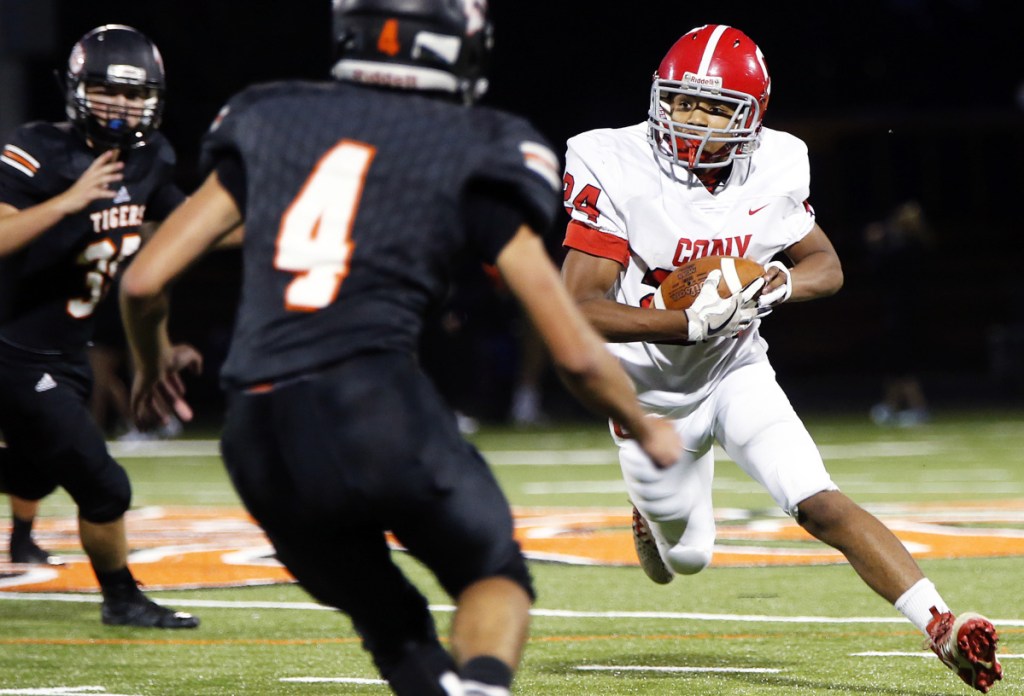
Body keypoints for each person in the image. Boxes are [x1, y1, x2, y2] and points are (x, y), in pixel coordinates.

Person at [118, 1, 681, 694]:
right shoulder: (478, 142)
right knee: (492, 576)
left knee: (394, 625)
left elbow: (143, 279)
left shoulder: (270, 117)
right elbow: (569, 342)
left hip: (257, 429)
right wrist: (646, 423)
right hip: (371, 403)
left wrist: (151, 362)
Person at [559, 24, 1001, 693]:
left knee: (817, 500)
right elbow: (576, 307)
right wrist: (680, 322)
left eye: (713, 107)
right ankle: (650, 515)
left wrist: (779, 284)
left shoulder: (775, 162)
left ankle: (941, 624)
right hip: (648, 397)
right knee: (688, 556)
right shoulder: (613, 161)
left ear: (751, 116)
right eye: (681, 101)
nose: (692, 119)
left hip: (735, 369)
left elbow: (826, 263)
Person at [0, 25, 198, 629]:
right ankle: (122, 598)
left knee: (35, 472)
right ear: (77, 90)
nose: (121, 105)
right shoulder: (37, 148)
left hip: (69, 349)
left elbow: (191, 223)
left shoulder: (150, 158)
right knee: (104, 486)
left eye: (135, 94)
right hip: (11, 349)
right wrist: (68, 201)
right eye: (105, 90)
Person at [864, 200, 933, 427]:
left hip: (903, 312)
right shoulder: (919, 245)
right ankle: (891, 406)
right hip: (910, 310)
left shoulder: (906, 248)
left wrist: (877, 245)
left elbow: (882, 272)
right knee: (895, 362)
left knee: (902, 362)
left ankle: (918, 407)